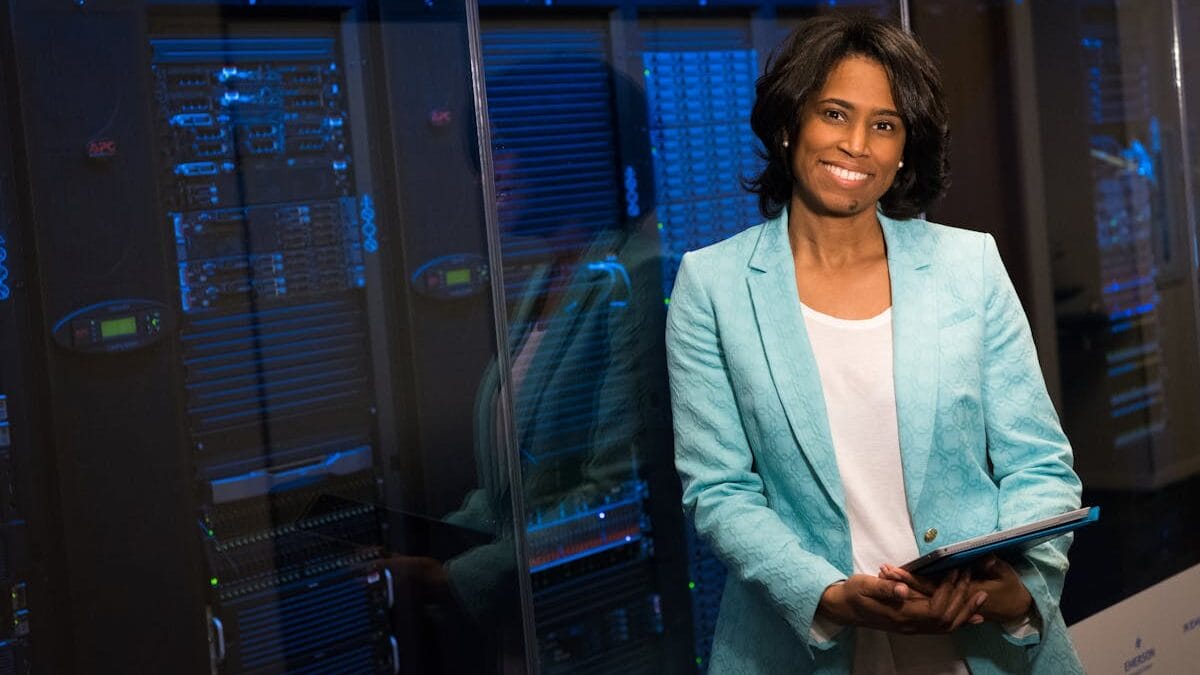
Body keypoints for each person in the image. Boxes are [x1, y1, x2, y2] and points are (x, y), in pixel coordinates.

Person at [665, 14, 1083, 675]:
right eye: (835, 113)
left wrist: (1019, 587)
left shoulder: (967, 264)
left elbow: (1040, 463)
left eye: (884, 125)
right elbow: (718, 490)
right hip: (806, 642)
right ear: (788, 124)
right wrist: (829, 594)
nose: (857, 144)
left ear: (903, 148)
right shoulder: (710, 286)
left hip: (977, 637)